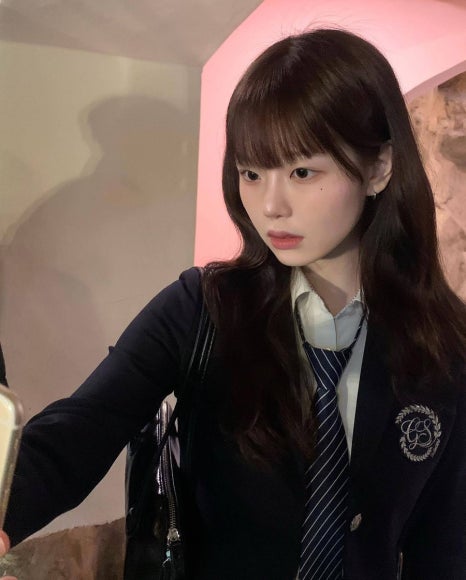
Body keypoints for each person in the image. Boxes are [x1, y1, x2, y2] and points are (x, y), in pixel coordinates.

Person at [1, 28, 465, 580]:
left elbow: (446, 546)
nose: (270, 205)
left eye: (301, 172)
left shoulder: (445, 344)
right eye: (251, 173)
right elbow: (77, 434)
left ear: (379, 168)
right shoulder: (203, 309)